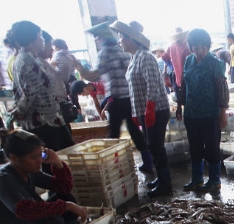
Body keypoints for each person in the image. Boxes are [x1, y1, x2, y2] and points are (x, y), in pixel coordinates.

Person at [72, 22, 151, 171]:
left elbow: (94, 76)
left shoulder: (105, 53)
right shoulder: (123, 50)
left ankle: (112, 165)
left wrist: (79, 68)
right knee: (134, 130)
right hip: (130, 98)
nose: (96, 40)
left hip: (116, 100)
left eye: (97, 38)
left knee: (114, 133)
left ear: (102, 39)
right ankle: (148, 162)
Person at [111, 21, 171, 197]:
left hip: (156, 109)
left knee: (156, 147)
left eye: (122, 37)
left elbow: (152, 84)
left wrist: (150, 107)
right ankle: (161, 179)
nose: (120, 41)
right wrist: (138, 112)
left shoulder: (145, 57)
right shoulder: (134, 57)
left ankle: (166, 184)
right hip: (145, 110)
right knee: (152, 147)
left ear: (131, 39)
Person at [0, 129, 87, 224]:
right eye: (33, 158)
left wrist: (57, 164)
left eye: (40, 155)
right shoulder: (4, 178)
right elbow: (23, 210)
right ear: (14, 158)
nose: (39, 161)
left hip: (27, 220)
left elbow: (63, 188)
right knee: (48, 221)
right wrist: (66, 206)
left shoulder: (29, 171)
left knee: (66, 197)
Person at [8, 21, 74, 152]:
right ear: (32, 39)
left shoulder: (32, 58)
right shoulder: (27, 60)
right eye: (40, 37)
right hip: (41, 122)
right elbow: (29, 93)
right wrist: (19, 112)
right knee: (52, 157)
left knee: (66, 153)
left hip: (50, 117)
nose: (43, 40)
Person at [177, 29, 229, 193]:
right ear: (191, 47)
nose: (199, 51)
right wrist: (180, 105)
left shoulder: (215, 63)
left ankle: (214, 180)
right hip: (191, 113)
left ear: (208, 47)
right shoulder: (188, 61)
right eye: (196, 47)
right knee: (195, 147)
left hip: (210, 114)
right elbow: (184, 85)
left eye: (203, 47)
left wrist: (222, 112)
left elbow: (222, 88)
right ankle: (197, 179)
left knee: (212, 147)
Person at [162, 28, 189, 98]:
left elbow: (164, 57)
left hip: (177, 75)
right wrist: (173, 66)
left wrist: (173, 66)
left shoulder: (171, 46)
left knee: (180, 96)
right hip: (187, 76)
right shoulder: (186, 46)